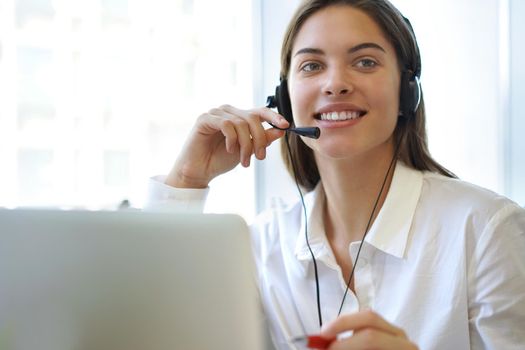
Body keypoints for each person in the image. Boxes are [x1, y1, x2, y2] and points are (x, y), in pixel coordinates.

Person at [147, 0, 525, 349]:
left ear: (408, 91)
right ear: (283, 98)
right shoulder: (264, 247)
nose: (335, 83)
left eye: (365, 62)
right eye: (312, 65)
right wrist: (188, 178)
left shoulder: (486, 229)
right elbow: (155, 331)